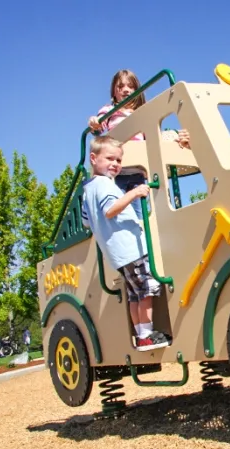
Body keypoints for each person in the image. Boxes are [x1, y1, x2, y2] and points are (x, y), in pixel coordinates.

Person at [81, 135, 172, 350]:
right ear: (93, 158)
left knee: (134, 295)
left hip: (117, 254)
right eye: (109, 158)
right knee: (147, 290)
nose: (115, 164)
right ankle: (147, 336)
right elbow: (110, 210)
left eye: (119, 160)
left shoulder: (88, 190)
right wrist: (134, 192)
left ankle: (141, 335)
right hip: (130, 249)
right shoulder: (104, 184)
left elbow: (87, 222)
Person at [87, 69, 151, 220]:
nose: (126, 90)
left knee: (139, 216)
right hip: (118, 171)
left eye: (130, 86)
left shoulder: (142, 113)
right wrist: (94, 123)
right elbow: (99, 127)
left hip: (138, 170)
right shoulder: (109, 111)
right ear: (113, 91)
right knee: (118, 211)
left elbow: (150, 135)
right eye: (120, 87)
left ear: (137, 90)